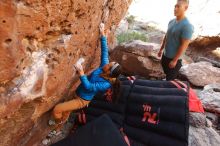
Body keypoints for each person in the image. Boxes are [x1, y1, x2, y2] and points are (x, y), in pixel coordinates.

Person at [52, 23, 122, 126]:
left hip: (82, 100)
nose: (107, 63)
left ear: (108, 73)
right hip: (78, 92)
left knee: (58, 109)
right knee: (67, 111)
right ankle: (60, 126)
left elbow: (89, 87)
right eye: (109, 62)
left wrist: (81, 72)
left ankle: (57, 123)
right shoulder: (104, 67)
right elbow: (104, 52)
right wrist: (103, 35)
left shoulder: (106, 84)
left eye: (109, 65)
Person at [158, 0, 194, 81]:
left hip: (175, 60)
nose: (175, 8)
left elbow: (184, 45)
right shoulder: (171, 21)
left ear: (186, 8)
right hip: (165, 56)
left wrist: (174, 60)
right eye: (175, 6)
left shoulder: (187, 26)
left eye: (178, 6)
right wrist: (161, 49)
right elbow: (167, 36)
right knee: (167, 77)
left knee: (169, 83)